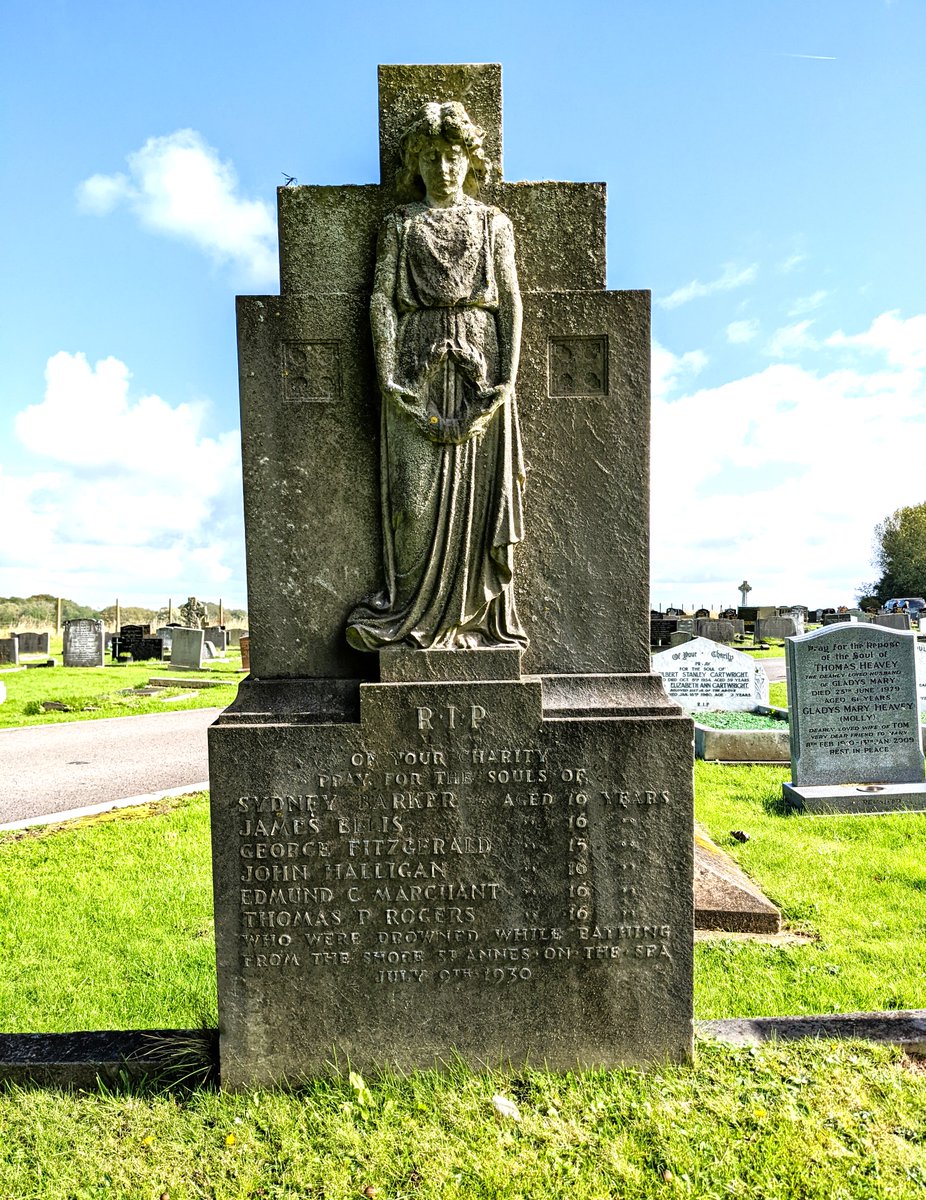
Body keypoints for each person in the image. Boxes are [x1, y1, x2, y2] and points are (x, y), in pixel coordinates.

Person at [346, 101, 528, 651]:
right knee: (414, 503)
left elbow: (511, 301)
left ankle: (471, 623)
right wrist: (386, 376)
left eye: (453, 156)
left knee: (475, 502)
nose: (444, 168)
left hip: (481, 367)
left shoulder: (493, 222)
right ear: (418, 164)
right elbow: (380, 300)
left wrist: (507, 381)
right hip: (413, 368)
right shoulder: (399, 225)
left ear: (470, 159)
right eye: (432, 158)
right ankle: (411, 612)